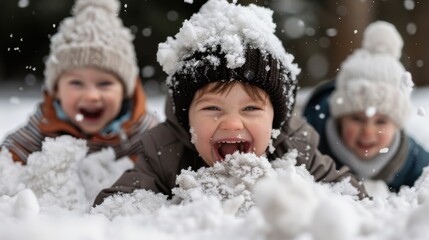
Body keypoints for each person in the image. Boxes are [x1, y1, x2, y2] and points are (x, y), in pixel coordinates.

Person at [93, 0, 367, 206]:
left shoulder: (294, 147)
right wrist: (184, 206)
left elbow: (351, 197)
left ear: (276, 118)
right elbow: (116, 206)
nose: (232, 122)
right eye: (212, 108)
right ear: (187, 118)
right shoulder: (166, 151)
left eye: (251, 108)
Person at [1, 0, 158, 164]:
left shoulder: (143, 131)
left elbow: (168, 162)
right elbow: (8, 160)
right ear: (56, 90)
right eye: (76, 83)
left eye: (104, 84)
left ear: (126, 90)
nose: (91, 95)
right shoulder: (44, 126)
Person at [302, 21, 429, 192]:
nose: (368, 132)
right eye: (357, 118)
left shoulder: (407, 156)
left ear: (397, 125)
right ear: (340, 118)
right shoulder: (313, 140)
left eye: (381, 121)